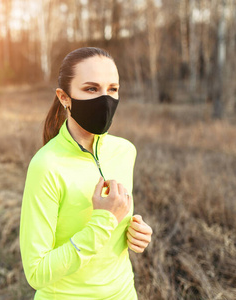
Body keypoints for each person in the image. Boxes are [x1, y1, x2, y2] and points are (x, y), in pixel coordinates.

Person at [19, 47, 153, 299]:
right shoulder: (46, 165)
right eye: (91, 89)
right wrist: (103, 222)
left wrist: (135, 233)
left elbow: (114, 227)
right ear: (64, 97)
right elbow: (36, 272)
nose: (105, 100)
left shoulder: (125, 151)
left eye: (112, 89)